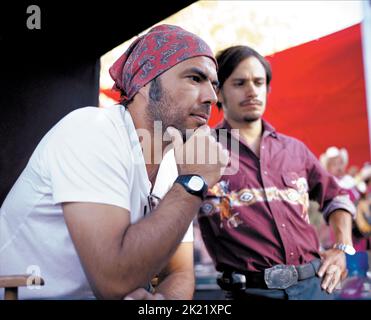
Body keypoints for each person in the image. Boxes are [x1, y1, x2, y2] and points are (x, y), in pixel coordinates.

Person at [0, 24, 229, 299]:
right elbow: (115, 281)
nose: (211, 98)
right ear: (146, 82)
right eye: (195, 78)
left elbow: (178, 272)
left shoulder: (174, 162)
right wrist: (194, 182)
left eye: (214, 85)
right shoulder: (92, 130)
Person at [197, 45, 356, 300]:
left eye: (258, 82)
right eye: (239, 83)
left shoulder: (295, 149)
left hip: (316, 288)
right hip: (249, 292)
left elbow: (338, 198)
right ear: (218, 91)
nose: (252, 91)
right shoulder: (200, 151)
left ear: (268, 88)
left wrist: (341, 247)